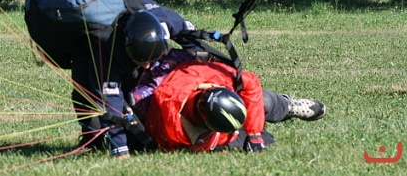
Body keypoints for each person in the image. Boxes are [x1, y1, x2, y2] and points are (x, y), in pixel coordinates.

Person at [24, 0, 221, 158]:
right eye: (142, 61)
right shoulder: (106, 56)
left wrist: (216, 68)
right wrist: (120, 150)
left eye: (152, 59)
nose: (147, 66)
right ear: (129, 50)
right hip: (84, 47)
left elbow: (192, 39)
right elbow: (111, 104)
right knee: (86, 89)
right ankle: (92, 140)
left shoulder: (164, 19)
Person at [128, 49, 327, 153]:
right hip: (209, 135)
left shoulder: (207, 74)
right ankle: (257, 131)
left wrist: (254, 133)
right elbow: (182, 147)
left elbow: (249, 81)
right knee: (262, 141)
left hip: (205, 113)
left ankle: (288, 106)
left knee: (262, 102)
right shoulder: (173, 132)